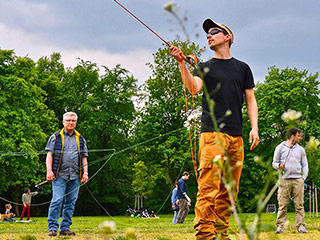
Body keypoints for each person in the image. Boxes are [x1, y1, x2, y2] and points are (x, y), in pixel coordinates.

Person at [170, 18, 259, 240]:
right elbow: (193, 88)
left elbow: (250, 99)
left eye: (214, 31)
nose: (209, 35)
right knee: (208, 188)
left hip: (236, 137)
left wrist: (254, 128)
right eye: (207, 33)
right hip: (212, 136)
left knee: (229, 192)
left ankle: (221, 234)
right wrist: (182, 64)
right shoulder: (204, 67)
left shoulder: (243, 68)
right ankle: (204, 235)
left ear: (227, 37)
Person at [45, 112, 89, 237]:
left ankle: (65, 228)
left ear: (76, 122)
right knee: (57, 201)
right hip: (59, 176)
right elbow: (50, 155)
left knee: (71, 203)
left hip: (75, 176)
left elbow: (85, 157)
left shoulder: (80, 138)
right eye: (68, 120)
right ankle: (52, 227)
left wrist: (85, 173)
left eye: (73, 121)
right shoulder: (55, 137)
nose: (71, 122)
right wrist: (49, 171)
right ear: (63, 122)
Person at [272, 127, 308, 234]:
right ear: (292, 136)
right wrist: (279, 166)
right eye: (298, 135)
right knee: (282, 205)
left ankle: (301, 226)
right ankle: (280, 227)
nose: (300, 138)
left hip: (298, 180)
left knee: (299, 205)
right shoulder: (280, 147)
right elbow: (274, 163)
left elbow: (305, 164)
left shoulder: (301, 149)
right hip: (284, 180)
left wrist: (303, 178)